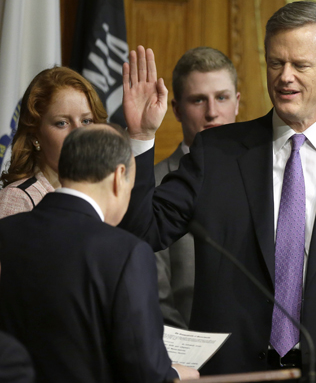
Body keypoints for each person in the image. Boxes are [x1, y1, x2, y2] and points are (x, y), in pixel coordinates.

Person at [120, 1, 316, 381]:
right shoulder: (217, 153)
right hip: (232, 372)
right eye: (276, 63)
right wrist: (141, 137)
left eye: (300, 65)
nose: (285, 77)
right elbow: (142, 230)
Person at [0, 124, 198, 382]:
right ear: (119, 176)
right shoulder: (126, 253)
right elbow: (144, 371)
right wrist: (174, 375)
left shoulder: (5, 232)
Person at [155, 47, 240, 329]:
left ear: (237, 103)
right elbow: (155, 296)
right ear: (177, 109)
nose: (212, 112)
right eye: (198, 100)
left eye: (222, 98)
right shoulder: (155, 184)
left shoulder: (268, 175)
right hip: (188, 356)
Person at [0, 66, 107, 218]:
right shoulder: (18, 198)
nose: (78, 133)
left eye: (86, 121)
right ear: (35, 135)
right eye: (62, 123)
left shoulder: (97, 195)